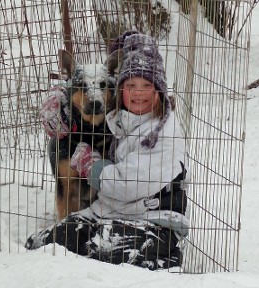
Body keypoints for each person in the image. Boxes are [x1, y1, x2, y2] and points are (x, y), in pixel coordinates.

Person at [25, 31, 189, 271]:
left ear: (159, 90)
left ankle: (165, 260)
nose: (138, 93)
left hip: (152, 223)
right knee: (43, 245)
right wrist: (61, 101)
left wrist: (93, 166)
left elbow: (127, 184)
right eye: (131, 85)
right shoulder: (118, 120)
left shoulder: (163, 134)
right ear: (120, 89)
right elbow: (80, 96)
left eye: (146, 86)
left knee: (95, 256)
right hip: (107, 215)